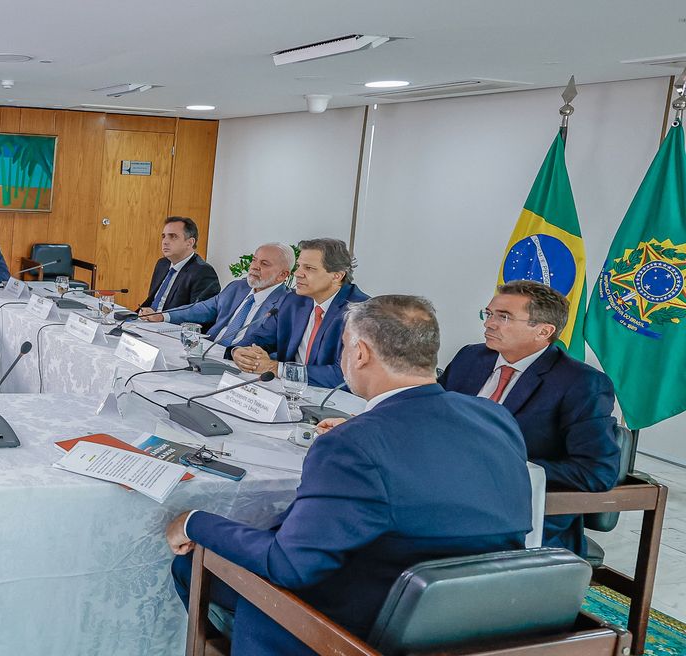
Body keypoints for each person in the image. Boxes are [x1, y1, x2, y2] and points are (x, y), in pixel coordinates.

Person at [166, 295, 533, 656]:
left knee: (190, 564)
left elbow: (288, 566)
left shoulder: (351, 445)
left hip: (357, 628)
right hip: (480, 615)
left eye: (344, 347)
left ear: (360, 354)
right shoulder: (493, 417)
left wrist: (193, 522)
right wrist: (364, 426)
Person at [439, 281, 621, 553]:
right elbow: (434, 416)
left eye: (504, 317)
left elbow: (597, 472)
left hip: (516, 511)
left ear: (544, 331)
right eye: (488, 314)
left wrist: (502, 465)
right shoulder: (471, 357)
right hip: (445, 490)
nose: (489, 324)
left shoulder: (580, 383)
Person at [232, 237, 368, 388]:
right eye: (298, 266)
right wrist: (240, 352)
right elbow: (261, 338)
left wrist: (277, 368)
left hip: (331, 398)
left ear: (337, 275)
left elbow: (345, 375)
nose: (297, 273)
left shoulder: (362, 312)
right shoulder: (293, 300)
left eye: (309, 268)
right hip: (285, 390)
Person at [145, 242, 292, 346]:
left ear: (282, 275)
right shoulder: (238, 287)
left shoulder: (288, 304)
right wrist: (163, 316)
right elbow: (203, 308)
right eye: (254, 260)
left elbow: (281, 348)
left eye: (264, 264)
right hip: (209, 348)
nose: (254, 267)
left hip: (241, 362)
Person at [137, 216, 221, 316]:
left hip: (171, 324)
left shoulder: (203, 272)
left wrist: (161, 317)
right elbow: (151, 301)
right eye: (164, 236)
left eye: (173, 236)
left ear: (190, 242)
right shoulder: (162, 264)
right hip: (147, 320)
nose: (165, 242)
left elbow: (200, 314)